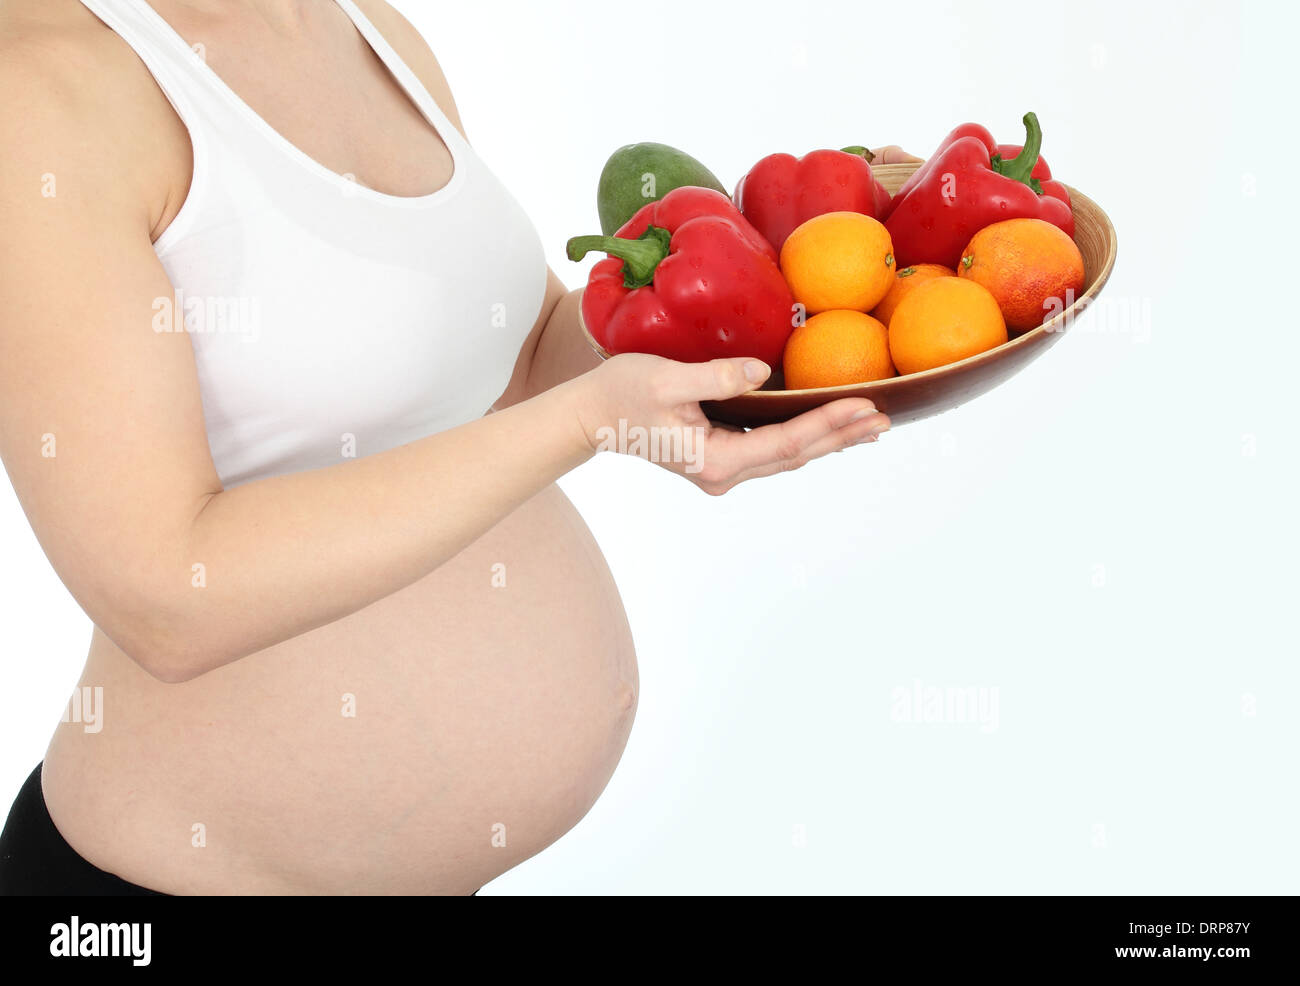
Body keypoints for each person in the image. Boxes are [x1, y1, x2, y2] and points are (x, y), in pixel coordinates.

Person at [0, 0, 895, 895]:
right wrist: (586, 420)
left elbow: (522, 358)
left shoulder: (356, 22)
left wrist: (774, 271)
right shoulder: (39, 87)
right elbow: (164, 598)